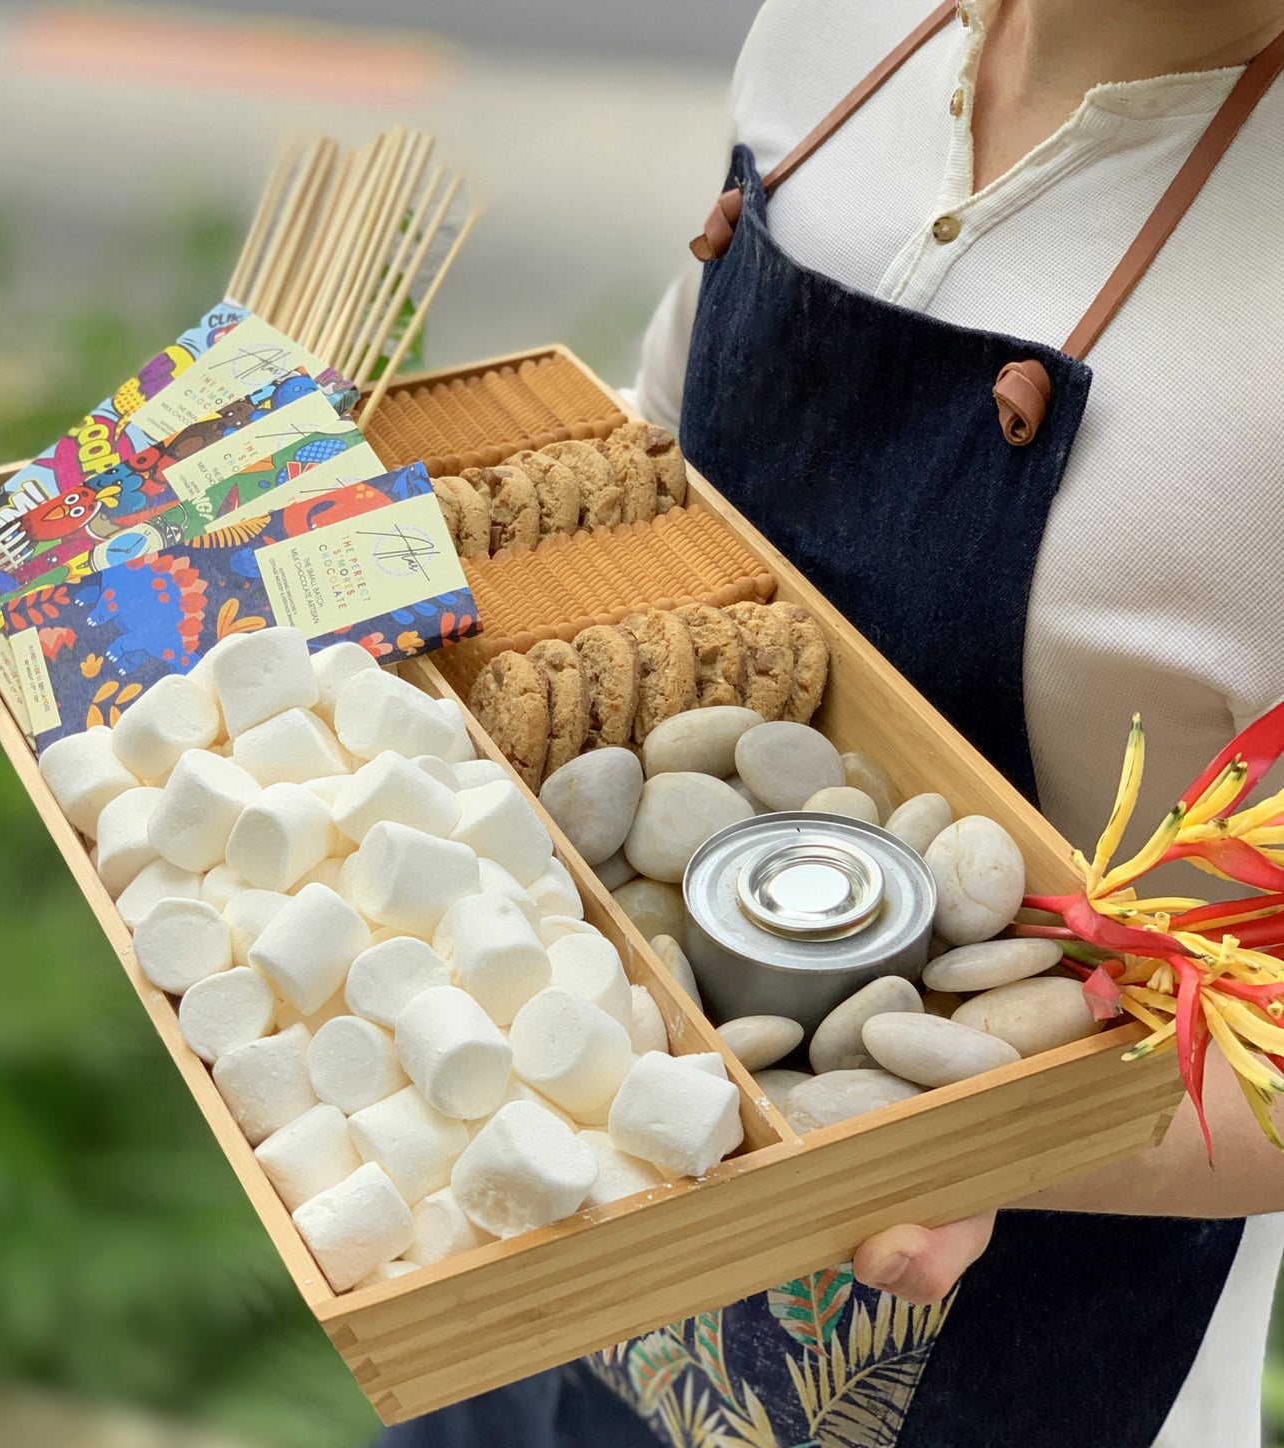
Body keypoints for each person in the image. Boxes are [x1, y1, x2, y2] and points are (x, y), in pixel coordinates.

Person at [385, 0, 1284, 1442]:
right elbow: (660, 470)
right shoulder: (830, 31)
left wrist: (953, 1139)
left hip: (1024, 1344)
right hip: (557, 1213)